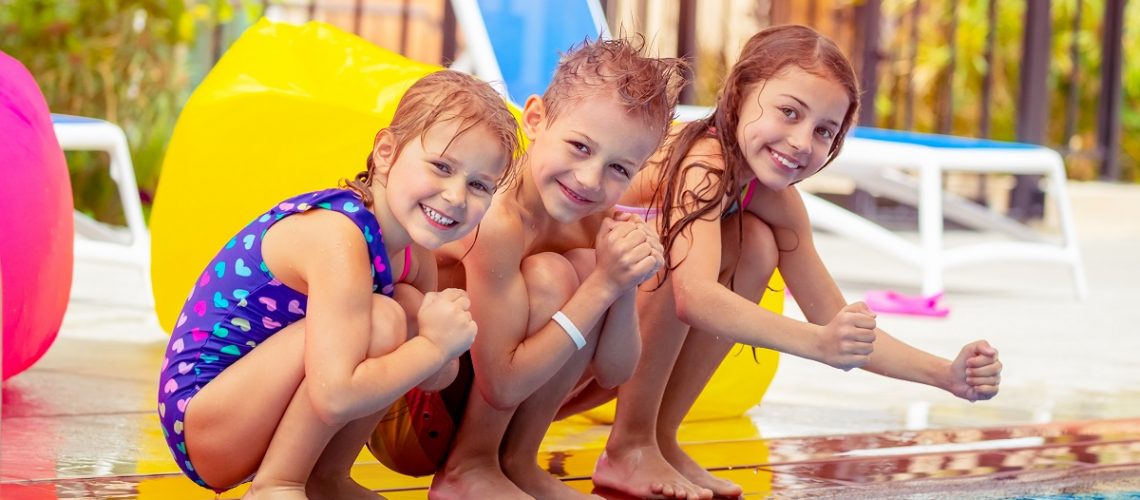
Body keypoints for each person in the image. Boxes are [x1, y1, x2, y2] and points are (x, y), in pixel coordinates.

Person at [573, 25, 1004, 499]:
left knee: (755, 244)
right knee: (670, 253)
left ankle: (659, 438)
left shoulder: (774, 200)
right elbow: (694, 298)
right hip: (563, 336)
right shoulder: (703, 161)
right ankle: (629, 445)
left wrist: (946, 374)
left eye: (824, 131)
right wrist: (819, 345)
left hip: (607, 336)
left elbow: (836, 320)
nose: (802, 142)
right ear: (739, 93)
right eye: (788, 112)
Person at [156, 70, 521, 500]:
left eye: (479, 185)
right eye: (442, 166)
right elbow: (336, 395)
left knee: (400, 307)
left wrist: (443, 338)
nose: (457, 197)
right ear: (385, 152)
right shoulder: (338, 235)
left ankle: (325, 480)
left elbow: (433, 380)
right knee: (385, 317)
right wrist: (434, 346)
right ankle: (278, 485)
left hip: (252, 412)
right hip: (204, 421)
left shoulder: (412, 253)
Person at [412, 38, 685, 500]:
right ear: (535, 119)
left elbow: (615, 372)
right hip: (416, 403)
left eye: (619, 168)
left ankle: (516, 461)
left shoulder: (598, 223)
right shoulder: (495, 218)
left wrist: (620, 284)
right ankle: (469, 467)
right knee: (554, 276)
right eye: (579, 146)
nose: (589, 179)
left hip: (492, 386)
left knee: (581, 263)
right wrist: (601, 285)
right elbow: (500, 384)